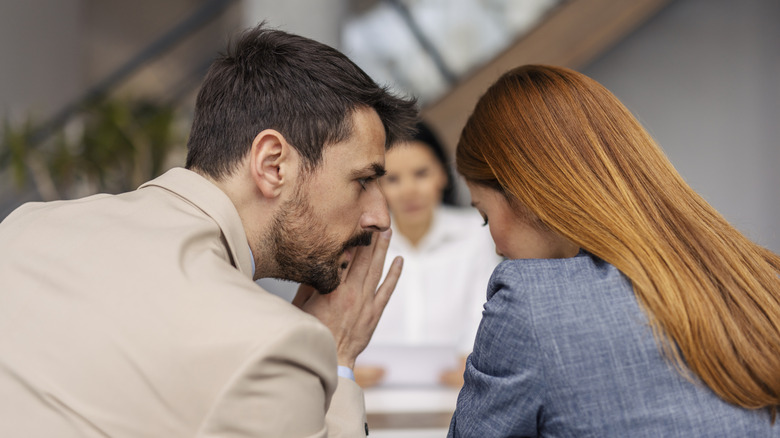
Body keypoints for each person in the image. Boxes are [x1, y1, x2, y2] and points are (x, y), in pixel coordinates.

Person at [0, 24, 418, 437]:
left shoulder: (26, 225)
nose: (381, 215)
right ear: (273, 164)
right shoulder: (273, 348)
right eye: (363, 180)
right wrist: (338, 354)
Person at [448, 65, 780, 437]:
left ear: (524, 192)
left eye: (484, 215)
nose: (495, 244)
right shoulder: (762, 277)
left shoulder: (530, 302)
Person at [354, 123, 501, 388]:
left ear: (443, 174)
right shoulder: (360, 244)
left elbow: (485, 314)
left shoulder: (478, 235)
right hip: (372, 396)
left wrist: (475, 363)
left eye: (421, 173)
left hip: (460, 392)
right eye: (393, 179)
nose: (409, 190)